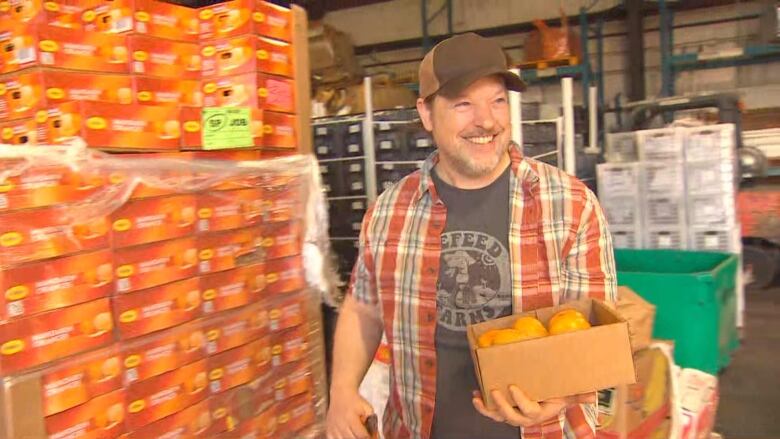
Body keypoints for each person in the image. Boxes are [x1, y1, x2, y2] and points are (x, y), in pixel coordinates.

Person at [326, 32, 617, 439]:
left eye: (497, 100)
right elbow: (362, 308)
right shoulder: (390, 211)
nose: (487, 120)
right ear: (426, 114)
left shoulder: (571, 205)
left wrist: (566, 393)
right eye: (464, 104)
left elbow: (595, 333)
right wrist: (341, 390)